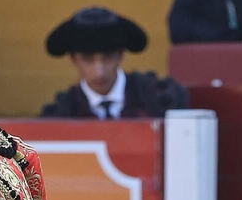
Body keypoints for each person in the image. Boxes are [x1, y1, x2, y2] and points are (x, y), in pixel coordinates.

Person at [39, 7, 188, 118]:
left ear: (121, 55)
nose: (99, 72)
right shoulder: (62, 112)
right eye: (88, 60)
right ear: (73, 59)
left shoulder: (162, 99)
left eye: (107, 58)